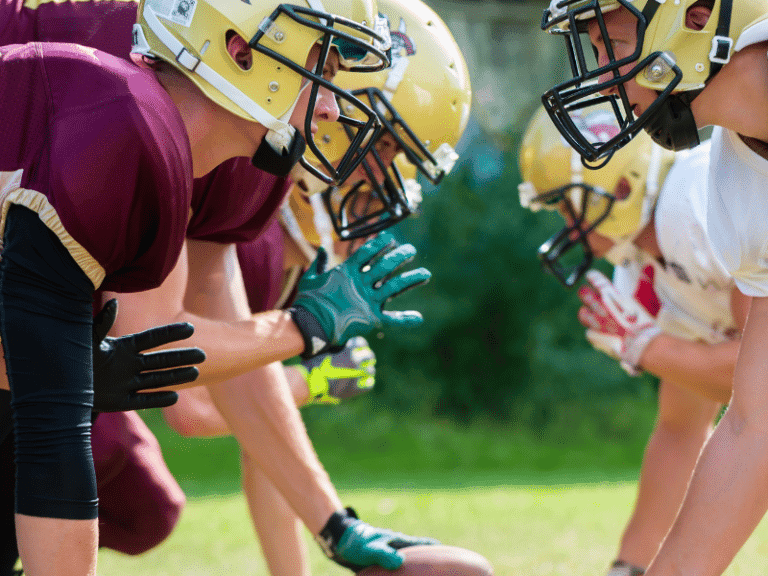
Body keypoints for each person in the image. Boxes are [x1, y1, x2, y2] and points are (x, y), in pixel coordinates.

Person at [0, 0, 436, 571]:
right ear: (240, 50)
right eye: (322, 71)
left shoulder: (229, 142)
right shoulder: (123, 115)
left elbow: (65, 376)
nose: (332, 108)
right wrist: (304, 329)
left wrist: (335, 525)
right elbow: (154, 350)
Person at [539, 1, 768, 574]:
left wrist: (650, 347)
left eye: (607, 45)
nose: (598, 78)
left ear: (696, 16)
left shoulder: (692, 207)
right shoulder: (738, 176)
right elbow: (752, 424)